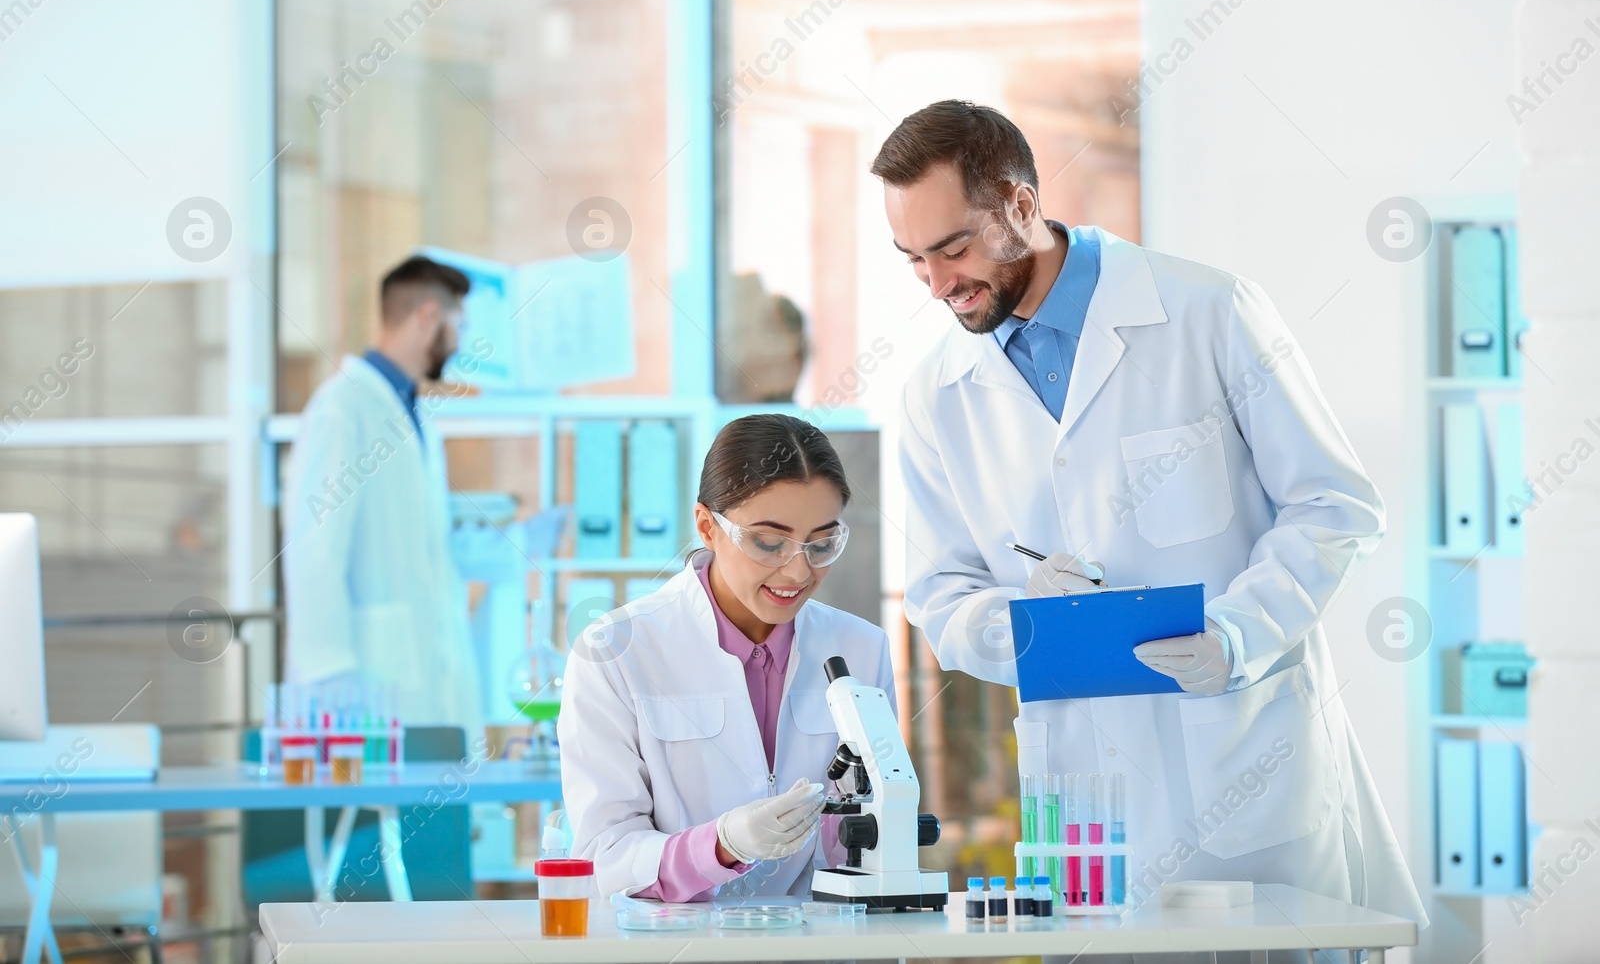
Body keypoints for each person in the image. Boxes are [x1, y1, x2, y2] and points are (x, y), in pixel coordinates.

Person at [878, 101, 1425, 932]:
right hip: (1084, 817)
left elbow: (1334, 503)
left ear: (1022, 205)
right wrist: (1021, 621)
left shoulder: (1209, 311)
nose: (938, 285)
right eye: (913, 259)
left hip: (1246, 780)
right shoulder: (934, 393)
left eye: (954, 248)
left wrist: (1239, 633)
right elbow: (940, 590)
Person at [559, 414, 896, 900]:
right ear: (706, 527)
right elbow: (605, 855)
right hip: (676, 948)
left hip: (819, 943)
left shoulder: (861, 648)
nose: (798, 570)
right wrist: (719, 846)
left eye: (821, 544)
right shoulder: (615, 652)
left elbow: (876, 831)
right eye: (769, 542)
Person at [282, 254, 483, 735]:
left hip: (417, 676)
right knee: (372, 808)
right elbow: (313, 551)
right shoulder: (343, 407)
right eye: (459, 324)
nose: (459, 342)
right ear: (428, 316)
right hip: (359, 683)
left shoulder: (409, 409)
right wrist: (330, 672)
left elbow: (423, 548)